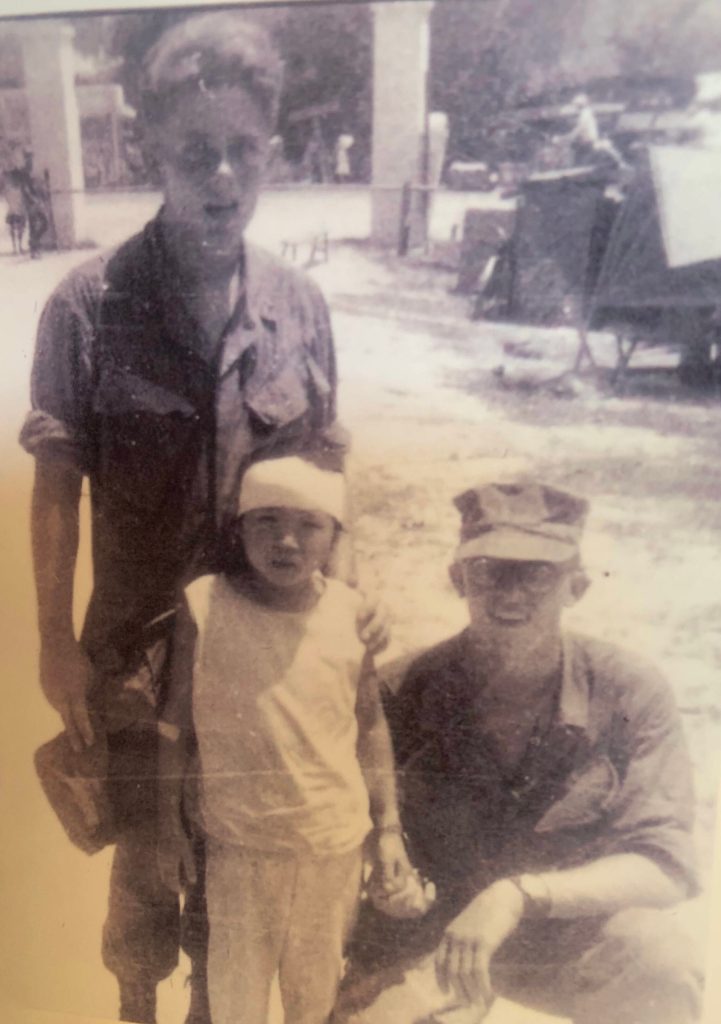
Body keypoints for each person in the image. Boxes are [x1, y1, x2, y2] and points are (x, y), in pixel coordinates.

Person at [20, 13, 385, 1024]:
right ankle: (137, 1009)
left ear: (269, 152)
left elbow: (323, 469)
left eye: (243, 153)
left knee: (240, 871)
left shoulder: (300, 307)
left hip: (263, 650)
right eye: (196, 154)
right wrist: (55, 643)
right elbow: (56, 483)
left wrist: (351, 592)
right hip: (136, 655)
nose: (221, 177)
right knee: (144, 865)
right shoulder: (89, 304)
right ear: (153, 153)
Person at [336, 478, 702, 1024]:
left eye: (537, 574)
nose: (510, 594)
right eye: (488, 572)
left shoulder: (628, 690)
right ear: (458, 579)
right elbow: (335, 824)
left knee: (659, 965)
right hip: (434, 937)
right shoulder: (397, 692)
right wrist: (386, 881)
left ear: (576, 588)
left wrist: (516, 896)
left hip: (569, 935)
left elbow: (664, 865)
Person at [157, 456, 425, 1024]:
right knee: (235, 1000)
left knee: (315, 996)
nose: (287, 541)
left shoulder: (352, 613)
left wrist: (390, 829)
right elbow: (174, 728)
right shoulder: (205, 604)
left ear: (333, 536)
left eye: (309, 525)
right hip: (239, 845)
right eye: (267, 521)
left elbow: (371, 726)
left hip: (332, 845)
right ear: (240, 528)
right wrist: (167, 827)